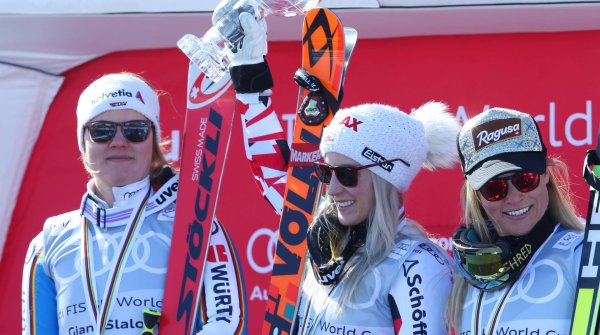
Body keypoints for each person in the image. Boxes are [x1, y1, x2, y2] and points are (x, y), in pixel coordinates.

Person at [291, 102, 460, 334]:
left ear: (385, 181)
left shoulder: (419, 264)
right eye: (327, 172)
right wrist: (253, 94)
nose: (332, 189)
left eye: (346, 174)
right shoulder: (325, 249)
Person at [446, 107, 584, 335]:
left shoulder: (584, 253)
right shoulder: (465, 274)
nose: (514, 196)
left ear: (546, 174)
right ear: (476, 195)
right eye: (494, 188)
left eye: (525, 179)